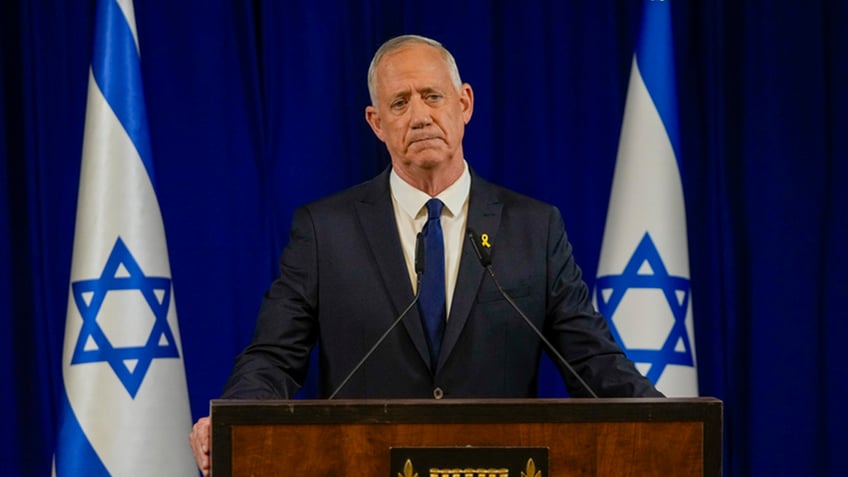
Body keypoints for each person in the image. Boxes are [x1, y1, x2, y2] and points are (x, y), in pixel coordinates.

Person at [189, 34, 662, 474]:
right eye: (399, 102)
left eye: (433, 97)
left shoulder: (533, 229)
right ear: (376, 122)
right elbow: (273, 357)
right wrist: (234, 418)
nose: (419, 116)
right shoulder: (324, 231)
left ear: (464, 104)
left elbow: (593, 363)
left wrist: (670, 423)